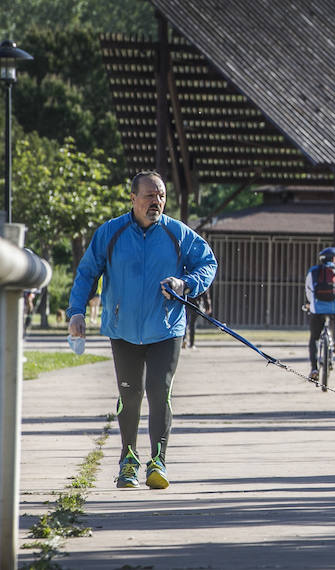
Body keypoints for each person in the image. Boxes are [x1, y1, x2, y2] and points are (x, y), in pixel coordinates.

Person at [67, 171, 217, 489]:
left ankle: (158, 462)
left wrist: (185, 283)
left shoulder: (178, 233)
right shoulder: (111, 233)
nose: (156, 202)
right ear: (133, 198)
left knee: (159, 391)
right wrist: (77, 312)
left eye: (161, 195)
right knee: (130, 395)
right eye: (149, 195)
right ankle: (128, 461)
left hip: (166, 327)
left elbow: (208, 262)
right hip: (122, 329)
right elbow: (86, 272)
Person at [306, 247, 335, 380]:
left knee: (314, 338)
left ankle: (314, 369)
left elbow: (309, 290)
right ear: (334, 259)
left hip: (317, 309)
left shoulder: (313, 271)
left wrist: (310, 304)